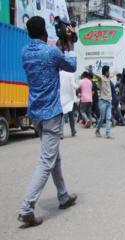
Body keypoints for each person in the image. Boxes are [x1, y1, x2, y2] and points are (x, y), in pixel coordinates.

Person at [18, 16, 77, 228]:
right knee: (46, 161)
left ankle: (63, 196)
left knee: (54, 158)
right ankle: (26, 208)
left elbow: (52, 57)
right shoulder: (51, 52)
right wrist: (69, 44)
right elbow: (71, 65)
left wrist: (61, 43)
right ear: (45, 32)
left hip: (35, 114)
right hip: (51, 114)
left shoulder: (25, 53)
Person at [93, 66, 116, 139]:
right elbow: (96, 74)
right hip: (102, 101)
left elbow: (114, 72)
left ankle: (107, 134)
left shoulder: (109, 78)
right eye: (108, 71)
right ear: (105, 72)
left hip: (109, 101)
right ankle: (97, 130)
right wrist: (92, 70)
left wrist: (118, 71)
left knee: (108, 118)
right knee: (102, 118)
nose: (109, 72)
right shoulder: (101, 78)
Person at [60, 70, 77, 138]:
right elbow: (74, 85)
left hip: (61, 98)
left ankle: (61, 133)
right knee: (71, 116)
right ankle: (73, 131)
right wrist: (79, 85)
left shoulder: (59, 73)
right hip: (70, 99)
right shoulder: (71, 73)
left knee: (62, 116)